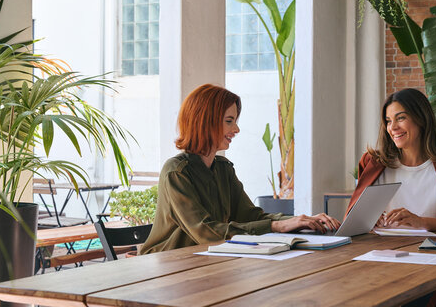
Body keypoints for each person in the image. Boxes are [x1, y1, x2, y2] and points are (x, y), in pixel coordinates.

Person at [140, 84, 340, 254]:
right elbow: (206, 232)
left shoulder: (223, 169)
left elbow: (252, 216)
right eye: (229, 121)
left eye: (235, 121)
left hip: (207, 260)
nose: (236, 129)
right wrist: (276, 225)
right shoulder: (176, 171)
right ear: (204, 121)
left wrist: (300, 220)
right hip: (167, 265)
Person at [345, 88, 436, 306]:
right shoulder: (374, 163)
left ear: (421, 119)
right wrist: (367, 220)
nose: (393, 127)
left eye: (400, 118)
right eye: (388, 120)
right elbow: (353, 223)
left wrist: (419, 221)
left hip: (428, 262)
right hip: (377, 260)